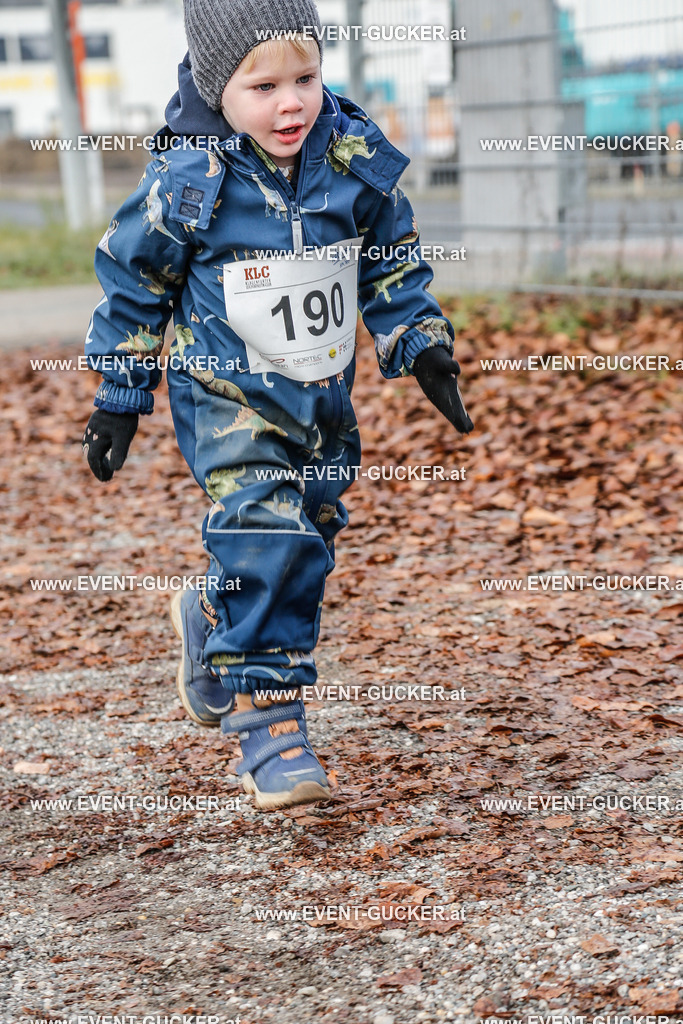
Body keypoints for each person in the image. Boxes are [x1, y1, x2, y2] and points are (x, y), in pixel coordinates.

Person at [81, 0, 473, 811]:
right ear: (214, 86)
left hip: (322, 401)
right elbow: (134, 285)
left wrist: (417, 339)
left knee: (308, 543)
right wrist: (120, 394)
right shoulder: (188, 179)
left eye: (305, 77)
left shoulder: (352, 155)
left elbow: (390, 257)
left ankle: (213, 614)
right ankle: (272, 728)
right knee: (268, 532)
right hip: (225, 396)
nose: (290, 102)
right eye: (263, 86)